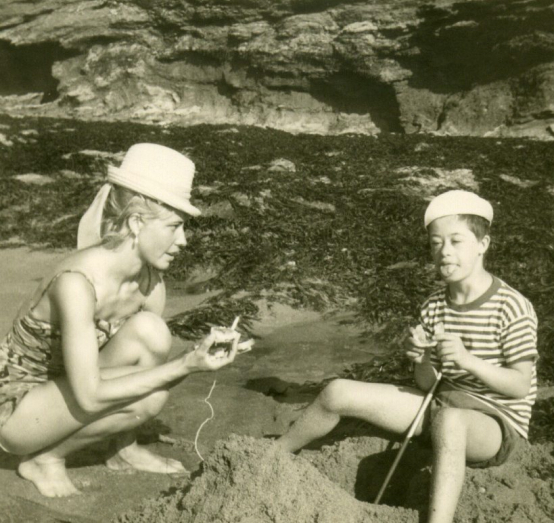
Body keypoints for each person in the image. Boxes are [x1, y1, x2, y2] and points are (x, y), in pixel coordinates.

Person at [277, 190, 538, 522]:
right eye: (435, 243)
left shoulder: (512, 306)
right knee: (337, 391)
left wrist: (468, 360)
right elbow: (428, 384)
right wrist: (422, 358)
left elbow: (519, 386)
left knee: (450, 421)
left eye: (456, 241)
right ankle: (270, 457)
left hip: (497, 425)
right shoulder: (434, 306)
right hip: (442, 406)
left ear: (483, 244)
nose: (444, 252)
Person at [0, 143, 240, 497]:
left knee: (153, 333)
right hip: (16, 406)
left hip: (68, 384)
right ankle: (44, 458)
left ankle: (121, 449)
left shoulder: (148, 283)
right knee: (151, 394)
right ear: (136, 221)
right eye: (175, 226)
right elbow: (90, 395)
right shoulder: (77, 283)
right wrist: (188, 364)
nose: (184, 240)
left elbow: (129, 365)